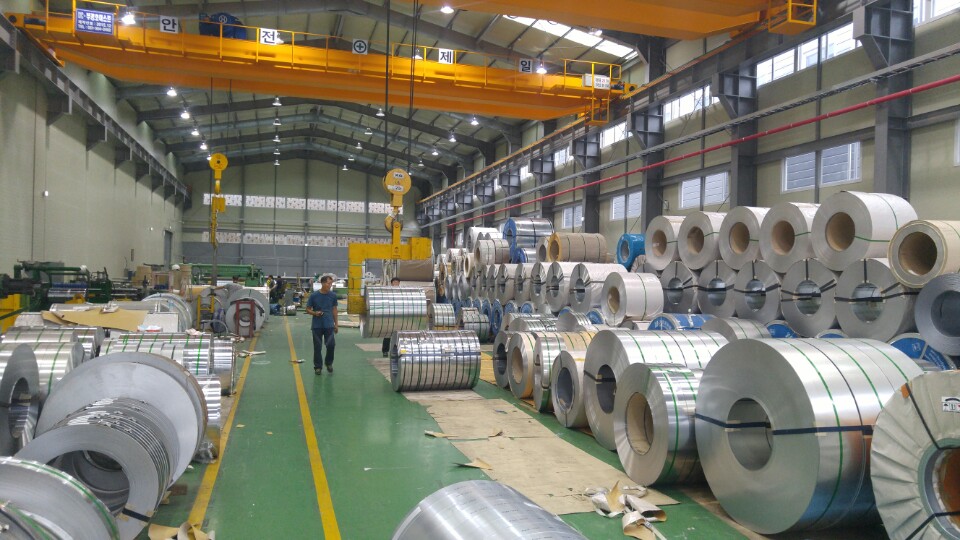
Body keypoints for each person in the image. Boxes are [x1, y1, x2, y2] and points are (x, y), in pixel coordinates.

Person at [306, 275, 339, 374]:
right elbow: (308, 309)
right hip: (317, 325)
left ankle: (329, 363)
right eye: (328, 283)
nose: (330, 285)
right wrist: (315, 313)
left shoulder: (333, 296)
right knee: (317, 347)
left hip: (329, 324)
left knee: (331, 345)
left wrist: (336, 324)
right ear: (323, 283)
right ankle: (318, 367)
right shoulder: (314, 296)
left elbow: (334, 310)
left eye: (331, 284)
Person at [382, 277, 402, 357]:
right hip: (390, 315)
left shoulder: (401, 292)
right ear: (391, 283)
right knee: (388, 333)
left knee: (398, 334)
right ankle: (385, 351)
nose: (396, 284)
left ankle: (396, 351)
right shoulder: (388, 292)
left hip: (398, 315)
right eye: (394, 282)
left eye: (397, 282)